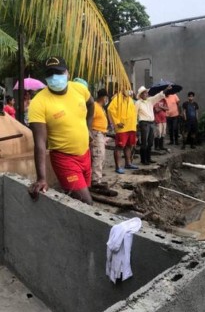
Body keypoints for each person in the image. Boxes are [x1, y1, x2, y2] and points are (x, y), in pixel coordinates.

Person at [27, 56, 95, 205]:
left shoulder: (79, 89)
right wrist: (41, 178)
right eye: (50, 74)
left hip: (85, 154)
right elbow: (40, 142)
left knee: (79, 199)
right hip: (64, 159)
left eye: (58, 72)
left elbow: (91, 104)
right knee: (86, 203)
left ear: (67, 73)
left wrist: (88, 128)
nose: (54, 77)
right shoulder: (39, 103)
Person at [135, 85, 170, 165]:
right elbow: (134, 114)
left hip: (151, 123)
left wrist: (165, 90)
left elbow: (158, 96)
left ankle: (148, 158)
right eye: (144, 93)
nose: (146, 94)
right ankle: (143, 160)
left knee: (150, 142)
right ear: (141, 95)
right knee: (144, 142)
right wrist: (136, 125)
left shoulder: (150, 100)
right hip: (143, 123)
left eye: (146, 93)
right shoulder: (138, 103)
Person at [107, 87, 138, 174]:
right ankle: (118, 167)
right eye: (127, 88)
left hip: (131, 126)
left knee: (129, 145)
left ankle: (128, 163)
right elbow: (110, 109)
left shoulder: (130, 99)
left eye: (130, 89)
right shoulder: (117, 98)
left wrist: (135, 124)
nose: (129, 90)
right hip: (122, 127)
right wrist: (117, 122)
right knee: (119, 147)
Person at [91, 89, 109, 186]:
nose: (107, 99)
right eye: (106, 97)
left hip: (101, 133)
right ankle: (95, 180)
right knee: (98, 155)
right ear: (103, 97)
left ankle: (98, 177)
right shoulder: (95, 106)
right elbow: (89, 120)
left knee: (101, 156)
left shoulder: (100, 108)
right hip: (96, 133)